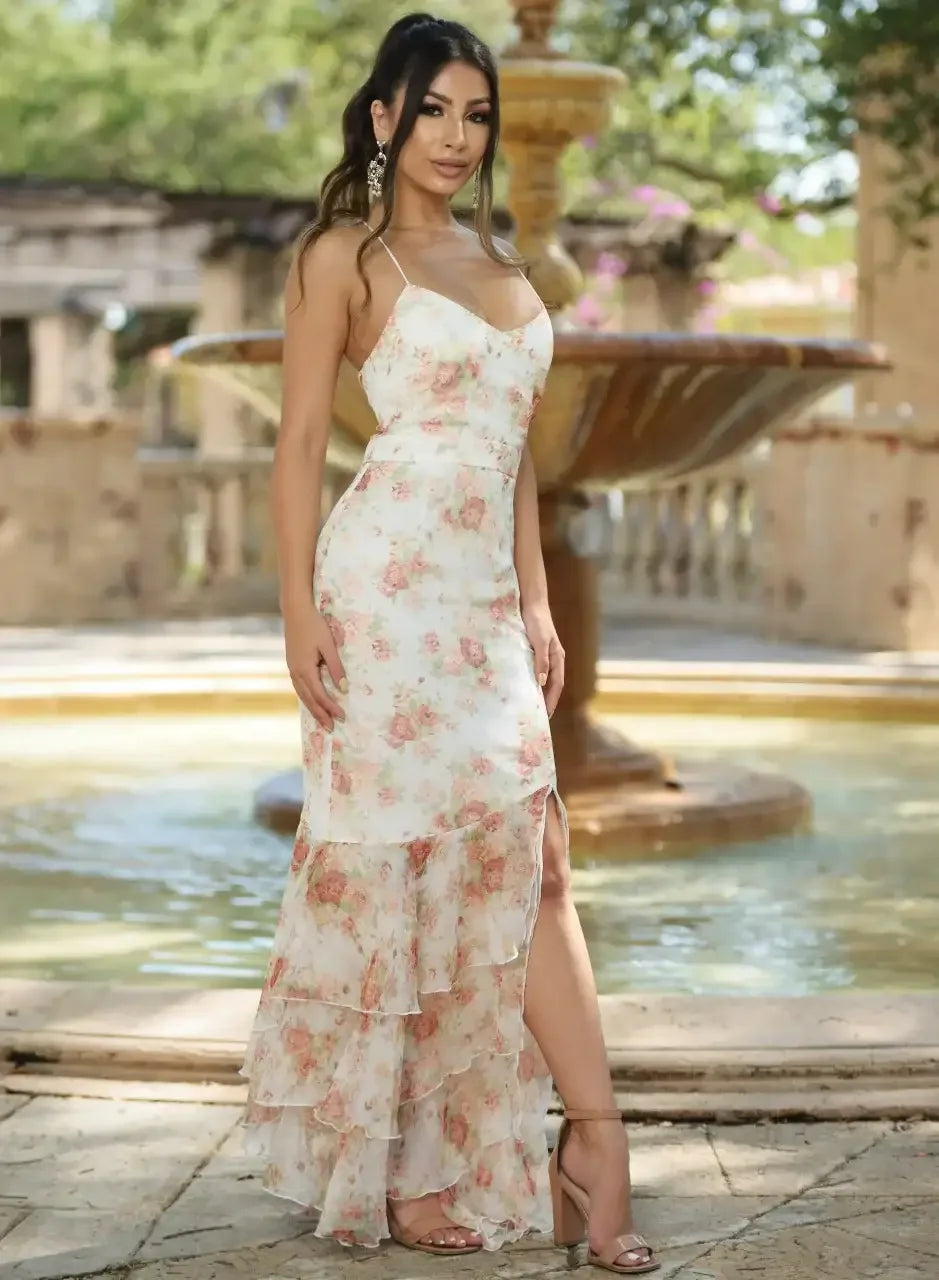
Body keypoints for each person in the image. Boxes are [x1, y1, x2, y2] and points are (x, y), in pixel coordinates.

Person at [239, 11, 658, 1275]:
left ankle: (592, 1138)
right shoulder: (342, 260)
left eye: (476, 115)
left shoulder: (500, 258)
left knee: (533, 872)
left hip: (480, 610)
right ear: (383, 117)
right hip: (381, 596)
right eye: (434, 110)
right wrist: (299, 618)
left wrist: (533, 600)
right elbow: (300, 444)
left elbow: (514, 448)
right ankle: (416, 1170)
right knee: (405, 880)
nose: (457, 135)